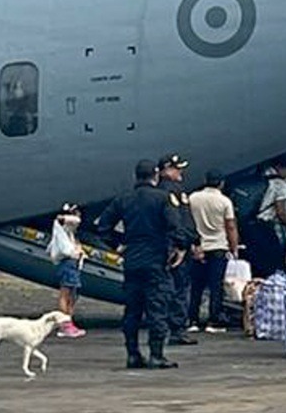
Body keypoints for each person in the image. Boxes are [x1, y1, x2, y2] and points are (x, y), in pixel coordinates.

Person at [96, 160, 189, 369]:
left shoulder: (123, 199)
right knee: (158, 307)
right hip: (156, 259)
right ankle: (156, 354)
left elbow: (103, 226)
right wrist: (180, 247)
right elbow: (175, 226)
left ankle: (132, 353)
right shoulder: (163, 198)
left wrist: (118, 244)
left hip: (132, 259)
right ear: (155, 175)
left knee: (132, 310)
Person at [187, 169, 239, 333]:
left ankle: (192, 320)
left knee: (196, 285)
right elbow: (230, 226)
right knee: (215, 285)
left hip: (198, 246)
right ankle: (213, 321)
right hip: (218, 246)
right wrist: (234, 247)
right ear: (221, 183)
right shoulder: (224, 201)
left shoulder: (193, 198)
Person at [157, 154, 200, 345]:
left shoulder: (157, 191)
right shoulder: (173, 192)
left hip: (162, 246)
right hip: (176, 248)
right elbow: (181, 221)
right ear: (167, 170)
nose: (180, 172)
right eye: (177, 168)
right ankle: (177, 329)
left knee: (164, 288)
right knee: (179, 288)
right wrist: (187, 243)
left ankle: (163, 327)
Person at [46, 203, 87, 338]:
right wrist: (71, 214)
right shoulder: (61, 224)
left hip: (72, 264)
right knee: (66, 294)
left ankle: (68, 321)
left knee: (73, 294)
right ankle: (65, 325)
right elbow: (74, 220)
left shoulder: (69, 233)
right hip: (67, 262)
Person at [257, 162, 286, 272]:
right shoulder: (280, 184)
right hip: (266, 225)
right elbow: (281, 211)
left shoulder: (264, 181)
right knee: (274, 258)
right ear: (278, 168)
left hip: (254, 223)